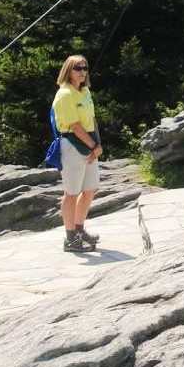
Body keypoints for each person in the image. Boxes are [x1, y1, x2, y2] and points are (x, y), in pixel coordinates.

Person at [51, 54, 102, 254]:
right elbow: (74, 125)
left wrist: (98, 145)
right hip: (73, 145)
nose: (82, 72)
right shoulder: (65, 94)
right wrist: (93, 145)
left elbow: (92, 120)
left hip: (90, 144)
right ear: (68, 70)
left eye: (85, 68)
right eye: (77, 68)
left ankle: (80, 230)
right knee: (71, 193)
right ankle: (70, 237)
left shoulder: (85, 91)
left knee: (90, 189)